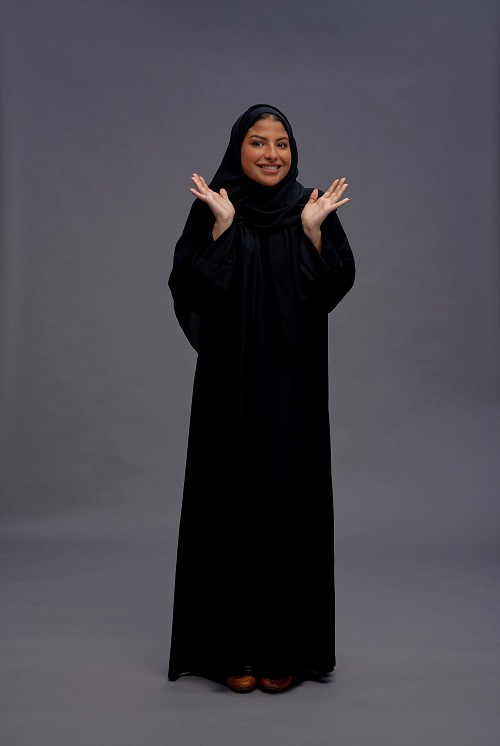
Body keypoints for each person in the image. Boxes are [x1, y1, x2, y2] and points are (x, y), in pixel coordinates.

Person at [167, 104, 355, 694]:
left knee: (288, 501)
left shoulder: (310, 205)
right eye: (257, 142)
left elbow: (330, 289)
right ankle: (232, 649)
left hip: (295, 385)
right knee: (231, 501)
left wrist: (314, 233)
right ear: (238, 148)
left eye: (281, 143)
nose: (271, 154)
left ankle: (284, 649)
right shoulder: (215, 206)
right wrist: (222, 231)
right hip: (230, 386)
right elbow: (190, 287)